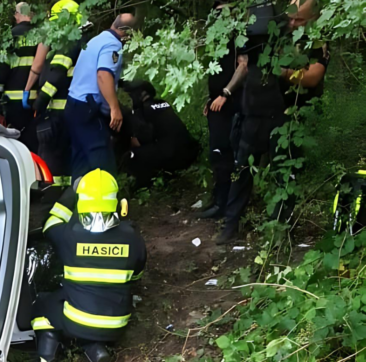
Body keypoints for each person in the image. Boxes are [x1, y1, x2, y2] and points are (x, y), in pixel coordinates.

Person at [217, 0, 327, 244]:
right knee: (241, 169)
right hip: (255, 112)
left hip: (288, 116)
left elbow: (313, 76)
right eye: (290, 18)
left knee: (284, 175)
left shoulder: (316, 40)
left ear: (313, 18)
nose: (293, 23)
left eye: (299, 20)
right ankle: (230, 224)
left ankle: (279, 232)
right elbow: (245, 64)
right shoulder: (270, 31)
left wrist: (281, 71)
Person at [32, 169, 146, 362]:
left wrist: (70, 193)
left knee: (42, 305)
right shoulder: (133, 238)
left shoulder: (69, 235)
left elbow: (50, 223)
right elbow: (136, 277)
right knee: (90, 307)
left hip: (78, 321)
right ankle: (95, 349)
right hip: (117, 324)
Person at [65, 12, 138, 180]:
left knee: (81, 161)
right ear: (127, 32)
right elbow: (103, 75)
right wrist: (114, 108)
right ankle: (106, 196)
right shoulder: (113, 45)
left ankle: (79, 195)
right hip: (88, 109)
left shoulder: (97, 40)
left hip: (74, 105)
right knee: (102, 162)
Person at [195, 1, 248, 219]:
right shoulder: (217, 37)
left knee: (224, 151)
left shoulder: (239, 35)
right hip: (217, 102)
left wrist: (225, 93)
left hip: (231, 102)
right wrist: (212, 98)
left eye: (224, 12)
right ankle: (218, 197)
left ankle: (223, 204)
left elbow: (243, 66)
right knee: (216, 151)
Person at [32, 0, 88, 187]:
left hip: (61, 112)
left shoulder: (69, 43)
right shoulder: (80, 40)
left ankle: (53, 194)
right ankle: (65, 193)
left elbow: (56, 74)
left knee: (53, 157)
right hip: (72, 111)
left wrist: (41, 101)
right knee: (67, 159)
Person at [120, 80, 200, 187]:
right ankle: (167, 174)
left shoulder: (143, 111)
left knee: (131, 156)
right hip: (190, 151)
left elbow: (140, 140)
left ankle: (144, 185)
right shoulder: (163, 103)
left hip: (173, 156)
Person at [0, 2, 40, 149]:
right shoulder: (41, 36)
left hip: (14, 103)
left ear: (18, 15)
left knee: (18, 145)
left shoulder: (9, 37)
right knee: (34, 144)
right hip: (37, 101)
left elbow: (0, 75)